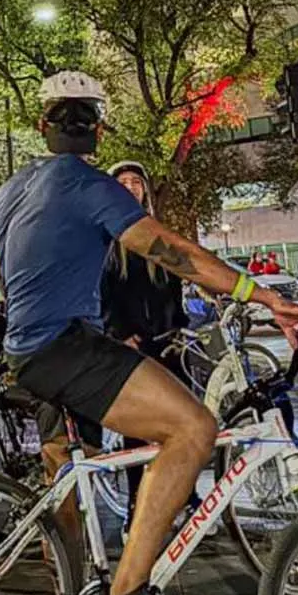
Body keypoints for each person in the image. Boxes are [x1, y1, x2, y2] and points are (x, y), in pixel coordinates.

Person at [0, 71, 298, 595]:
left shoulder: (9, 191)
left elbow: (3, 272)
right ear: (100, 129)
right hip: (65, 345)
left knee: (74, 469)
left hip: (30, 347)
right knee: (192, 428)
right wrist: (262, 296)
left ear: (42, 125)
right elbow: (173, 252)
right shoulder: (91, 186)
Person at [99, 161, 192, 526]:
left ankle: (184, 496)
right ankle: (136, 508)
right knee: (138, 432)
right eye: (122, 182)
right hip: (132, 345)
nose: (130, 187)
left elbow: (178, 279)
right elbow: (103, 292)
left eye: (136, 181)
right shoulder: (107, 238)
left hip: (167, 343)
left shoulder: (156, 234)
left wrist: (180, 325)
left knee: (183, 422)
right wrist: (119, 332)